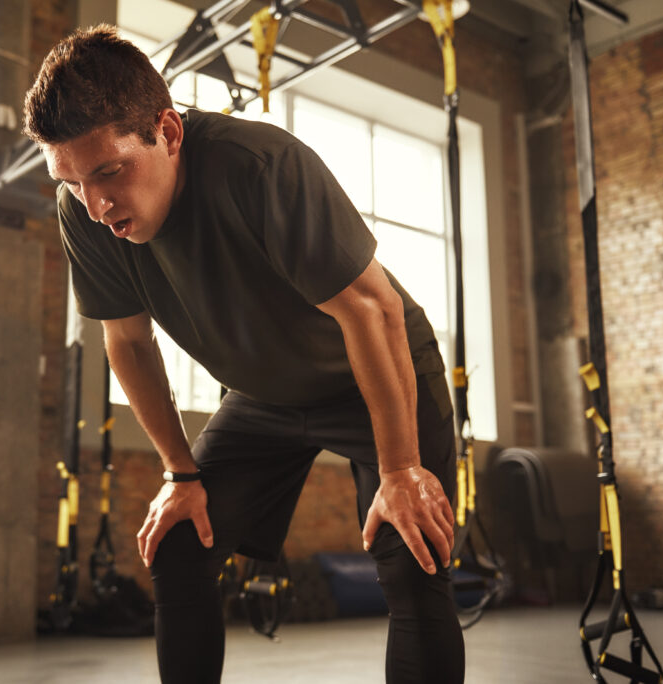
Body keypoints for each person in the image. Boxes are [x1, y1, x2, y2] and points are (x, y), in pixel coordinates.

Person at [24, 25, 465, 684]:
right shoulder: (85, 211)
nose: (96, 204)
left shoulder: (259, 166)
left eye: (109, 172)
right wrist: (180, 474)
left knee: (414, 552)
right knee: (179, 543)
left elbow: (373, 310)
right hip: (263, 396)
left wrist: (401, 468)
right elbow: (128, 341)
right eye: (73, 180)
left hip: (373, 369)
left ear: (168, 133)